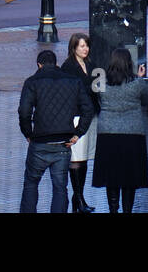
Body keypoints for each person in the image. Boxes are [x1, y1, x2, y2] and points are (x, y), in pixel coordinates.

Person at [18, 49, 94, 214]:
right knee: (60, 187)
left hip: (39, 141)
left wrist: (28, 133)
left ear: (39, 65)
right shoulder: (73, 81)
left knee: (31, 183)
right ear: (56, 63)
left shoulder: (32, 82)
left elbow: (24, 112)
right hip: (63, 143)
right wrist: (77, 133)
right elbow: (88, 109)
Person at [92, 47, 148, 214]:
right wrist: (140, 78)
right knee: (129, 177)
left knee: (111, 175)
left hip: (107, 133)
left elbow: (97, 99)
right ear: (129, 63)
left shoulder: (101, 83)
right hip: (133, 134)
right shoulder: (137, 84)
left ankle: (113, 208)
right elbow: (145, 100)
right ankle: (127, 210)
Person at [61, 33, 99, 213]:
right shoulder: (68, 67)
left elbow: (99, 87)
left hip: (90, 115)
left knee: (83, 158)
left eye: (86, 46)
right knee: (76, 158)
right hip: (76, 115)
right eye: (81, 46)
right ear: (73, 47)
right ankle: (79, 199)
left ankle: (78, 198)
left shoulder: (91, 65)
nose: (85, 49)